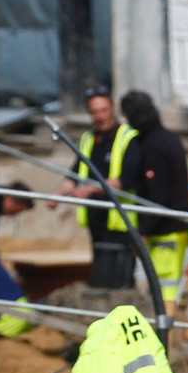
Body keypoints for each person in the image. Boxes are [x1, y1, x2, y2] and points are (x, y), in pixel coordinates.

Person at [49, 85, 142, 289]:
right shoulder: (88, 139)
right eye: (94, 112)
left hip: (120, 221)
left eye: (103, 110)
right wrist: (57, 195)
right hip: (97, 219)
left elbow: (126, 179)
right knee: (101, 273)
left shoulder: (128, 137)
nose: (100, 117)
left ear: (112, 109)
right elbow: (74, 174)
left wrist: (90, 189)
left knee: (121, 277)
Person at [117, 91, 188, 305]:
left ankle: (166, 335)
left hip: (166, 231)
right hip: (170, 227)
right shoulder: (166, 139)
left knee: (165, 290)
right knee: (166, 289)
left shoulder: (155, 146)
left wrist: (144, 230)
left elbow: (159, 194)